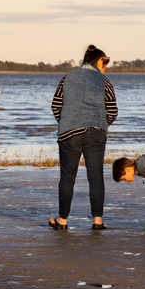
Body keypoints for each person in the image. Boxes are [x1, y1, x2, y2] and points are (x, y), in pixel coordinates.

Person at [48, 45, 118, 231]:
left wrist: (66, 122)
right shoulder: (105, 81)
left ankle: (62, 221)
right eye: (106, 63)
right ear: (100, 62)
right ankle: (97, 221)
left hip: (69, 132)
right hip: (96, 132)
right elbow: (112, 111)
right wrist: (101, 125)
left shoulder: (68, 77)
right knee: (95, 177)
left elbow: (56, 105)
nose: (106, 67)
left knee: (67, 178)